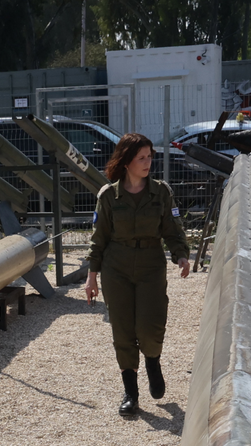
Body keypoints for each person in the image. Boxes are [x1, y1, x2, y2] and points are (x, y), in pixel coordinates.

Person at [84, 132, 192, 416]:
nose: (148, 162)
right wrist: (91, 277)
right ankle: (131, 392)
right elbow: (99, 239)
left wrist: (181, 254)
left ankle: (153, 361)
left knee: (150, 324)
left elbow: (172, 228)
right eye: (141, 158)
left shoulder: (161, 192)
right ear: (127, 161)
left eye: (149, 157)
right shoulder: (108, 196)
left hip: (150, 265)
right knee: (122, 329)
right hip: (115, 267)